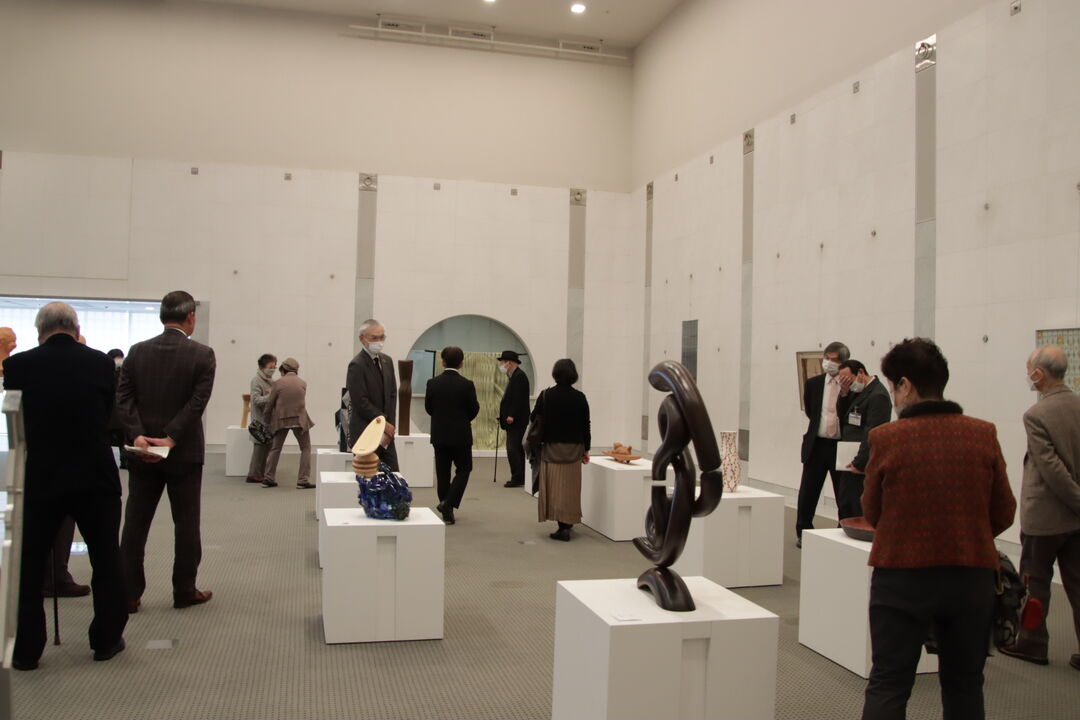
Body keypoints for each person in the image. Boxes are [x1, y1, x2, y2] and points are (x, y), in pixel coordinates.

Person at [860, 338, 1015, 720]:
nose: (893, 396)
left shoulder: (886, 438)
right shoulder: (983, 433)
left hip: (901, 578)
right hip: (971, 578)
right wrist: (966, 534)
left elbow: (872, 512)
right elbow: (1004, 511)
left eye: (893, 386)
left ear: (906, 385)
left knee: (889, 683)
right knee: (965, 684)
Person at [3, 302, 127, 669]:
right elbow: (106, 415)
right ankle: (106, 640)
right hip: (94, 475)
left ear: (39, 331)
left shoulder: (17, 365)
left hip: (41, 476)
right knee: (105, 557)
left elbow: (17, 422)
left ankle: (27, 649)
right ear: (76, 328)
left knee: (29, 563)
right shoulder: (101, 363)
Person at [117, 290, 216, 612]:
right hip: (184, 453)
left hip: (142, 451)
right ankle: (184, 590)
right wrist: (171, 436)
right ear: (190, 317)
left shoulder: (137, 352)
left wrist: (138, 436)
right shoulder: (203, 355)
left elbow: (124, 399)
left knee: (135, 524)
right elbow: (197, 403)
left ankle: (129, 594)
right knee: (186, 524)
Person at [998, 345, 1080, 670]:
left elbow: (1050, 468)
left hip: (1044, 518)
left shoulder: (1036, 415)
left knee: (1035, 582)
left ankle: (1032, 643)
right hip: (1076, 520)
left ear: (1039, 374)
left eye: (1028, 370)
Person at [796, 341, 850, 547]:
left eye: (834, 359)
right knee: (808, 492)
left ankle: (842, 531)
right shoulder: (813, 384)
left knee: (843, 493)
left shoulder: (850, 387)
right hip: (816, 445)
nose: (829, 362)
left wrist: (845, 393)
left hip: (840, 446)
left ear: (843, 362)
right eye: (826, 358)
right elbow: (811, 412)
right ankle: (803, 532)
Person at [535, 359, 590, 541]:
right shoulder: (580, 397)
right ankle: (568, 522)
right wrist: (586, 449)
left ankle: (562, 526)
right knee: (571, 489)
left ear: (555, 374)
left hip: (552, 448)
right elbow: (586, 425)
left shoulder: (546, 396)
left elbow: (534, 418)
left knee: (553, 488)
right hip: (574, 449)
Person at [425, 346, 480, 525]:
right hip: (461, 435)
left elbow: (429, 408)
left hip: (439, 434)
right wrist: (462, 419)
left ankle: (446, 509)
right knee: (464, 469)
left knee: (442, 472)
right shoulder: (467, 384)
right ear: (462, 363)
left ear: (442, 362)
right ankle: (448, 503)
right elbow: (474, 409)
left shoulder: (432, 383)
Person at [834, 359, 892, 520]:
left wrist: (860, 462)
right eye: (842, 381)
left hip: (862, 461)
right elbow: (843, 416)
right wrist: (844, 392)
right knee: (845, 503)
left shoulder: (878, 395)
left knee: (856, 506)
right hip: (849, 458)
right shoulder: (856, 391)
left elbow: (872, 432)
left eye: (848, 380)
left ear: (860, 373)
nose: (846, 384)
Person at [347, 319, 398, 470]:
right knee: (369, 476)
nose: (379, 341)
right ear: (362, 339)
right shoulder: (357, 365)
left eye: (382, 337)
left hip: (386, 432)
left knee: (393, 474)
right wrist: (383, 422)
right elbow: (360, 401)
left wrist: (390, 424)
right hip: (366, 431)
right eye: (374, 338)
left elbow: (392, 394)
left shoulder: (387, 361)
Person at [261, 357, 314, 489]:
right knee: (305, 448)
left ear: (283, 369)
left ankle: (268, 478)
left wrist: (266, 422)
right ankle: (303, 480)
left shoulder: (277, 383)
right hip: (299, 420)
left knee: (275, 448)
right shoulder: (303, 383)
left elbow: (269, 405)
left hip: (281, 420)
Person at [497, 350, 530, 488]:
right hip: (515, 419)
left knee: (513, 449)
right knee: (516, 448)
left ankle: (517, 477)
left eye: (502, 362)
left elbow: (518, 398)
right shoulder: (515, 376)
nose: (501, 365)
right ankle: (520, 476)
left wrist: (511, 415)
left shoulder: (519, 376)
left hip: (516, 420)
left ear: (509, 363)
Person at [246, 353, 277, 484]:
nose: (273, 369)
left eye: (274, 366)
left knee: (267, 448)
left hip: (269, 420)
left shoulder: (271, 381)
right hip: (260, 421)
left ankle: (261, 473)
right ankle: (253, 475)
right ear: (262, 367)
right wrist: (271, 396)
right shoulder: (256, 380)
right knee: (259, 449)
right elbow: (256, 400)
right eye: (270, 367)